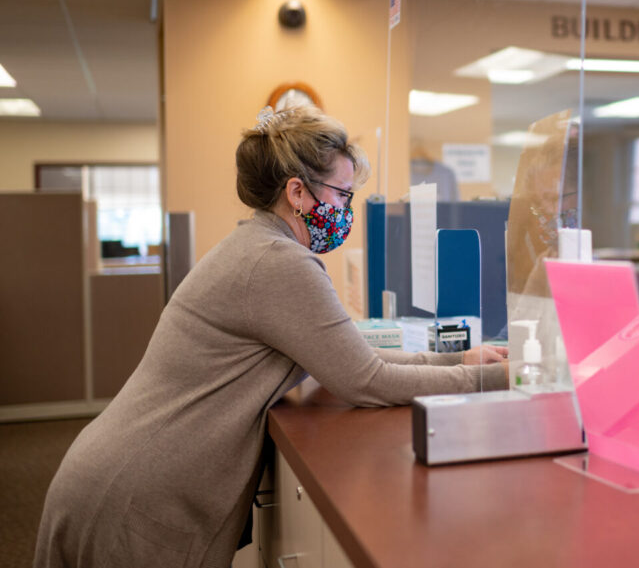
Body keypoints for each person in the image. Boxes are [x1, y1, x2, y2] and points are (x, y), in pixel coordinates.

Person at [34, 104, 508, 568]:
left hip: (125, 472)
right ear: (298, 192)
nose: (347, 209)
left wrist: (463, 361)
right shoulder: (279, 263)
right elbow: (367, 380)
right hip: (136, 491)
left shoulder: (260, 246)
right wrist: (492, 380)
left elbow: (354, 358)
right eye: (342, 194)